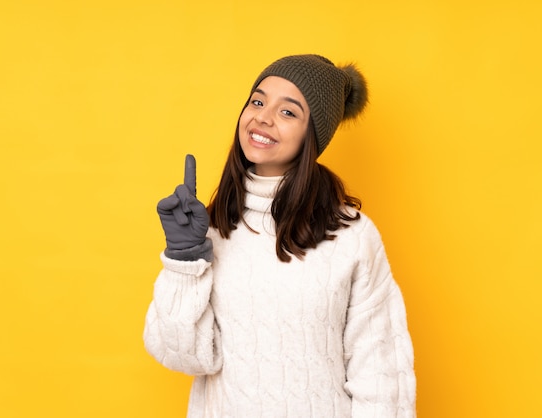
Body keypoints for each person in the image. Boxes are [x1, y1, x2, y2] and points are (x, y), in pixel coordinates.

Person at [143, 54, 416, 417]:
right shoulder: (212, 228)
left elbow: (383, 380)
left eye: (288, 112)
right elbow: (184, 356)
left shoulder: (351, 236)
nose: (263, 117)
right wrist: (183, 259)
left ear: (312, 135)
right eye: (257, 101)